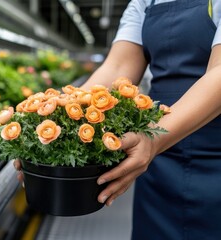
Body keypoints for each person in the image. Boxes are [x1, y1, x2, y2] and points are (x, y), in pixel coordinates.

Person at [14, 0, 221, 239]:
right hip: (158, 162)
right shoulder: (146, 1)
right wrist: (58, 117)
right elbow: (118, 66)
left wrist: (152, 140)